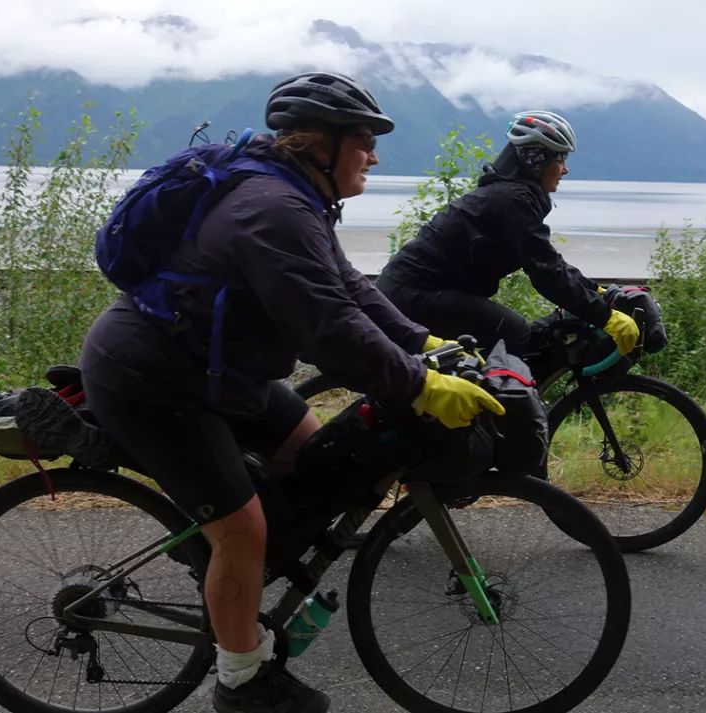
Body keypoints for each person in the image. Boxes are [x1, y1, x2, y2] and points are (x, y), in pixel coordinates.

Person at [26, 71, 504, 713]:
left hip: (217, 372)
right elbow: (328, 330)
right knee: (245, 529)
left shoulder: (294, 198)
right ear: (320, 145)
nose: (375, 153)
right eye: (364, 139)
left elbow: (354, 292)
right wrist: (419, 386)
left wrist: (423, 345)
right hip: (151, 381)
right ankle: (240, 677)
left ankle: (229, 565)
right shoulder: (271, 211)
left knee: (319, 458)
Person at [374, 110, 640, 361]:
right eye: (560, 158)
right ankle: (492, 408)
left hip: (416, 290)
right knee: (514, 332)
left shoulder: (510, 195)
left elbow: (548, 261)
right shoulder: (511, 200)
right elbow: (546, 273)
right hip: (415, 293)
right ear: (536, 159)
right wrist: (605, 316)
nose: (565, 169)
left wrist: (595, 290)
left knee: (486, 347)